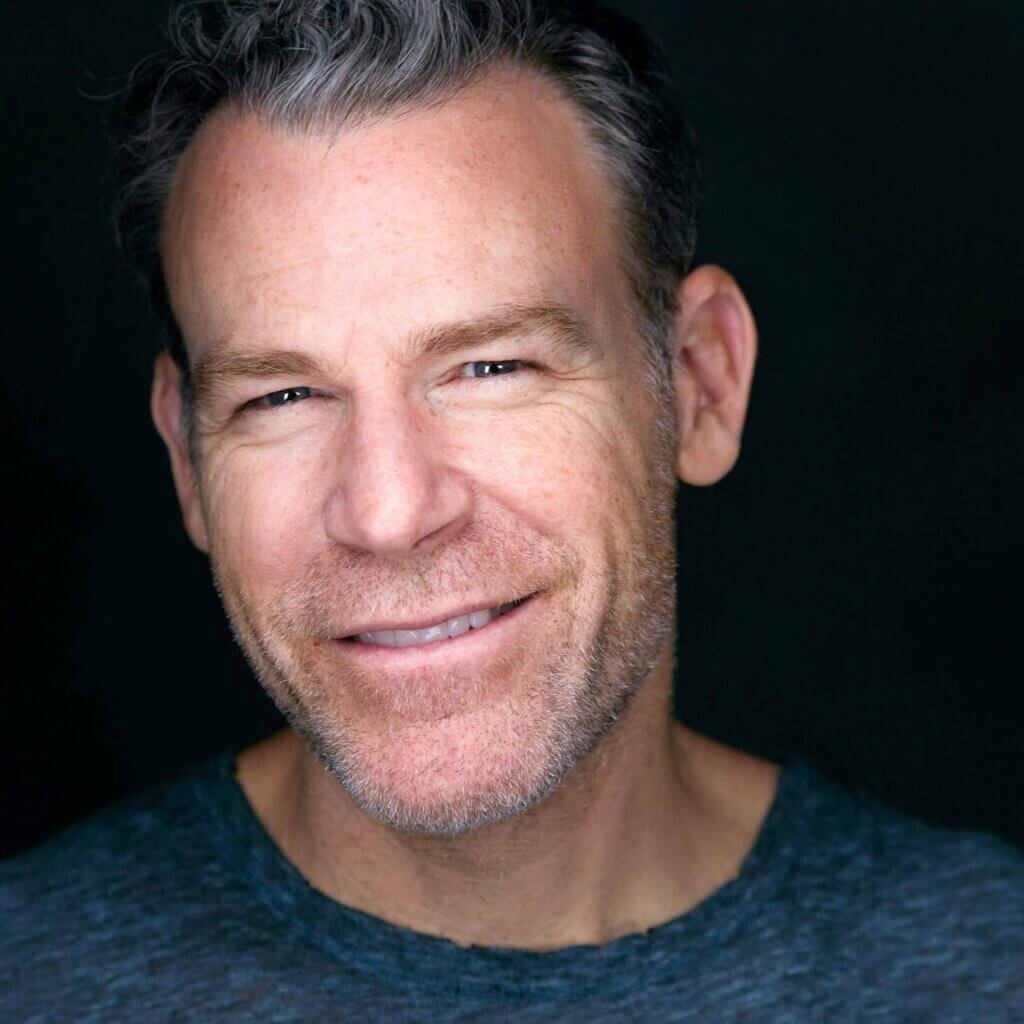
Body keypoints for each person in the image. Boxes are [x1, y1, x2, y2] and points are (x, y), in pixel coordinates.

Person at [2, 1, 1021, 1019]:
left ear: (700, 383)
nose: (390, 511)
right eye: (282, 396)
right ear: (187, 458)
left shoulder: (988, 966)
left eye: (490, 365)